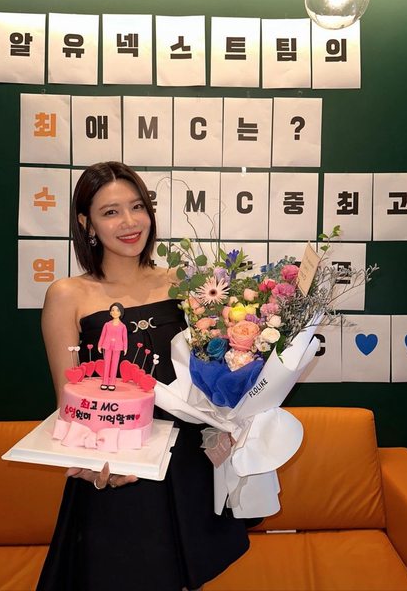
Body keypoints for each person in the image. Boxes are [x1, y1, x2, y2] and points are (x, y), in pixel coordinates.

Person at [37, 161, 250, 591]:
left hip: (189, 465)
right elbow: (70, 401)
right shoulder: (67, 294)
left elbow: (209, 375)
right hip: (121, 470)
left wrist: (228, 426)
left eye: (137, 207)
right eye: (110, 212)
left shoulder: (181, 283)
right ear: (87, 223)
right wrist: (94, 464)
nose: (130, 222)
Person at [98, 302, 128, 390]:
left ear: (121, 312)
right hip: (107, 345)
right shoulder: (107, 324)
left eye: (117, 310)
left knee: (115, 364)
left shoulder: (123, 326)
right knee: (106, 364)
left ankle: (112, 382)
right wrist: (99, 345)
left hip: (117, 347)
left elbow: (125, 338)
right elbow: (102, 335)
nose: (115, 312)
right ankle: (104, 381)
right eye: (113, 310)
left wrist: (125, 347)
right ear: (110, 312)